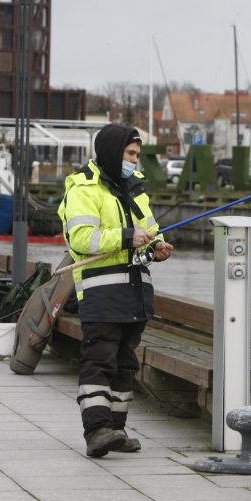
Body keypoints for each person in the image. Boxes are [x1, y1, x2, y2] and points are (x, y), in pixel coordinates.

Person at [58, 124, 174, 457]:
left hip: (135, 293)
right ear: (112, 152)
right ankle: (96, 431)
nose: (135, 162)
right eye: (131, 155)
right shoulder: (83, 189)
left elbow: (148, 232)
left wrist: (157, 247)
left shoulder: (136, 189)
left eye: (137, 155)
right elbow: (80, 239)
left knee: (125, 364)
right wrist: (126, 236)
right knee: (99, 362)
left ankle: (117, 431)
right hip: (100, 291)